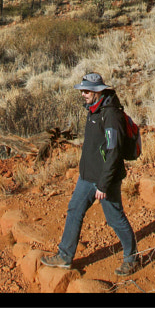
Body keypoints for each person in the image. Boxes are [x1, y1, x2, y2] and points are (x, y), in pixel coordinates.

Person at [42, 73, 139, 276]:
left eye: (87, 91)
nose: (83, 94)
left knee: (115, 219)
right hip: (87, 176)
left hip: (106, 179)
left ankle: (132, 258)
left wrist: (103, 185)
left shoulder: (111, 114)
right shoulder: (93, 109)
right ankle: (64, 256)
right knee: (75, 210)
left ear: (98, 91)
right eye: (82, 91)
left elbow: (114, 151)